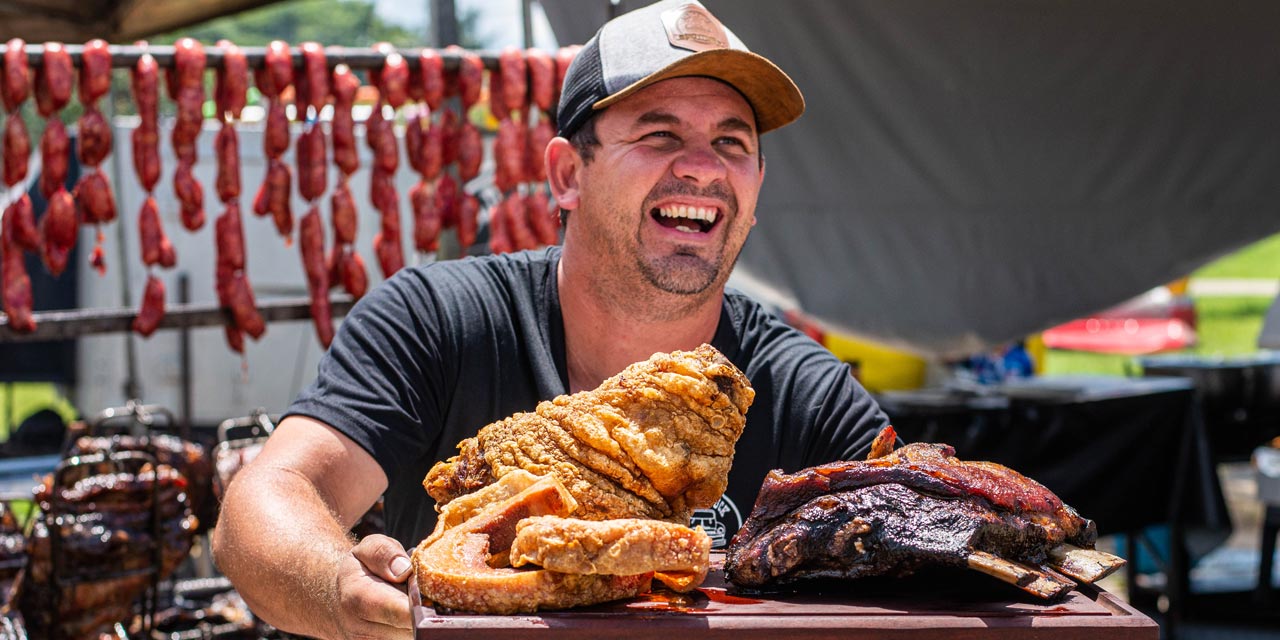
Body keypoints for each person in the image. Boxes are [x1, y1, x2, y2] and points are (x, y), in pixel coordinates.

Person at [212, 1, 889, 637]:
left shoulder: (804, 391)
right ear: (567, 174)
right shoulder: (439, 321)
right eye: (660, 134)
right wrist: (342, 591)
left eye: (732, 143)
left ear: (756, 188)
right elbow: (271, 496)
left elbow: (922, 528)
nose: (703, 167)